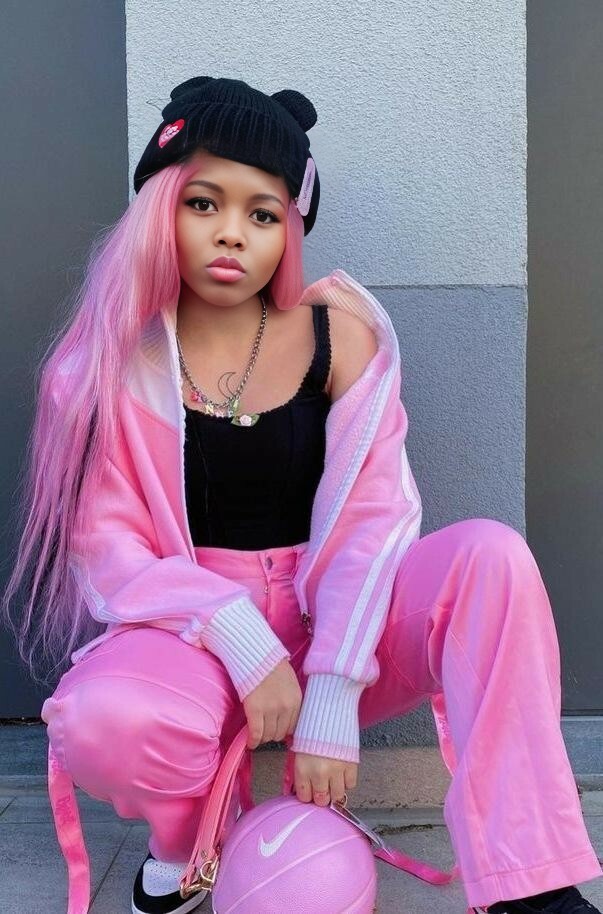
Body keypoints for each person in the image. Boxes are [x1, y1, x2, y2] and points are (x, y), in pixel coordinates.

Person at [2, 76, 601, 914]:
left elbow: (371, 522)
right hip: (191, 633)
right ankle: (186, 848)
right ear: (159, 210)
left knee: (489, 558)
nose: (231, 233)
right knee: (104, 714)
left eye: (263, 214)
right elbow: (109, 553)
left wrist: (331, 694)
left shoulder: (341, 336)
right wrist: (238, 634)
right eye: (203, 203)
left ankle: (527, 885)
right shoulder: (100, 366)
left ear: (290, 229)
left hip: (339, 616)